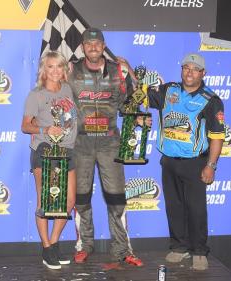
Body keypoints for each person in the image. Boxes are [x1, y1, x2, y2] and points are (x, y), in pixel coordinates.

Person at [67, 27, 143, 267]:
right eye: (88, 44)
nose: (93, 48)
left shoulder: (117, 71)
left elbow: (132, 100)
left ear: (103, 45)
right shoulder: (71, 70)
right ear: (82, 47)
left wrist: (131, 73)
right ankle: (84, 245)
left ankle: (122, 249)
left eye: (97, 44)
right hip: (81, 141)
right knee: (81, 197)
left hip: (110, 141)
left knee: (117, 197)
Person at [146, 53, 225, 270]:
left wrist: (211, 165)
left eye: (194, 69)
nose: (189, 72)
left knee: (196, 209)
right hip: (169, 161)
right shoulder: (168, 90)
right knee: (174, 206)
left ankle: (199, 250)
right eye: (185, 68)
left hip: (195, 163)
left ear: (203, 73)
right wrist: (128, 72)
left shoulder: (211, 100)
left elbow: (217, 137)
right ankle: (179, 247)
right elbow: (142, 96)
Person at [21, 51, 78, 270]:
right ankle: (46, 247)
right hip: (44, 150)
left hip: (67, 150)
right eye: (51, 67)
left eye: (59, 67)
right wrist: (46, 128)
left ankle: (54, 243)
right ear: (44, 69)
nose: (55, 71)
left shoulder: (67, 90)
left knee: (69, 201)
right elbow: (25, 126)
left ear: (64, 69)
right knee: (45, 201)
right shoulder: (36, 94)